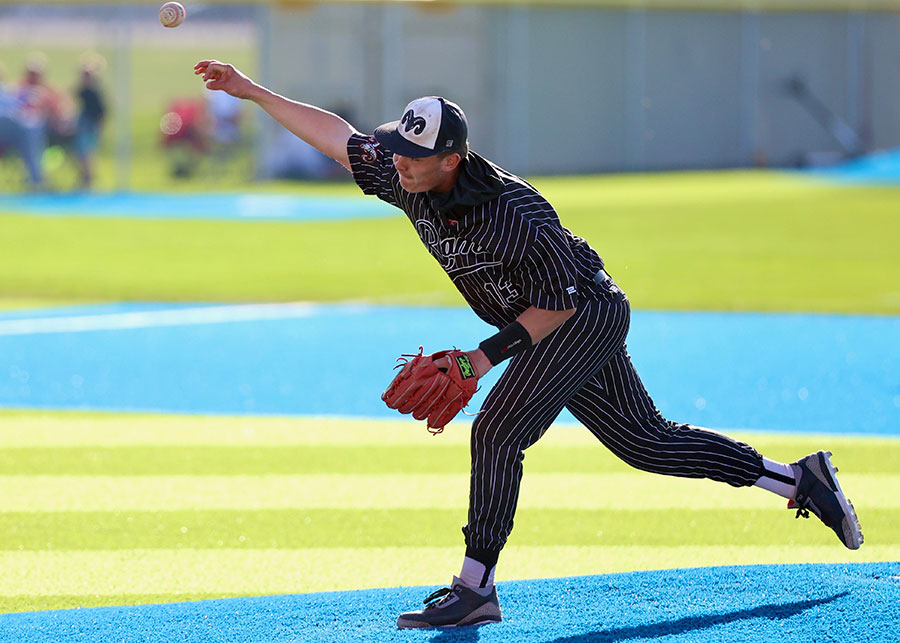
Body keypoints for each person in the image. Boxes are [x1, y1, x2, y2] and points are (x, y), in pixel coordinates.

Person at [194, 59, 864, 629]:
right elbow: (339, 138)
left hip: (583, 314)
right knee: (647, 443)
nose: (398, 160)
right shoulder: (406, 174)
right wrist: (251, 91)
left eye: (414, 155)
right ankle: (798, 478)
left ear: (451, 160)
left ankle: (475, 587)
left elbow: (560, 306)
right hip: (554, 316)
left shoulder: (513, 213)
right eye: (398, 146)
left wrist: (480, 357)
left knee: (496, 430)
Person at [73, 56, 107, 189]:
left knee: (88, 152)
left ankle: (89, 179)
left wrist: (99, 127)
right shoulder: (81, 90)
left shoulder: (95, 93)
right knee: (82, 152)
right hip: (83, 124)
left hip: (91, 125)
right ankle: (85, 178)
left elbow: (101, 113)